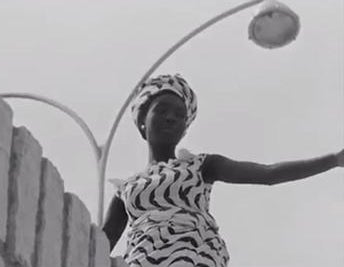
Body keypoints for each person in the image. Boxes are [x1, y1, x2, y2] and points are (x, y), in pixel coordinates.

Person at [102, 74, 343, 267]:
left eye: (179, 115)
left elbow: (268, 174)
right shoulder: (126, 188)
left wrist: (333, 160)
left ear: (184, 129)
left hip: (195, 257)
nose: (170, 118)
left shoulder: (200, 165)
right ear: (143, 121)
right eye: (162, 109)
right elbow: (101, 244)